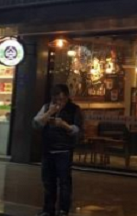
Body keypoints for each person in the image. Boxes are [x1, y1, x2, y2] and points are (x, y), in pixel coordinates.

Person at [33, 84, 83, 216]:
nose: (59, 103)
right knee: (48, 182)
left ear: (67, 97)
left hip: (64, 151)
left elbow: (77, 130)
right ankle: (48, 209)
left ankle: (63, 210)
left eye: (61, 99)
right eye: (55, 99)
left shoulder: (74, 109)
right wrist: (49, 112)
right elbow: (36, 123)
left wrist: (64, 125)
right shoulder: (47, 107)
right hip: (48, 150)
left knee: (64, 182)